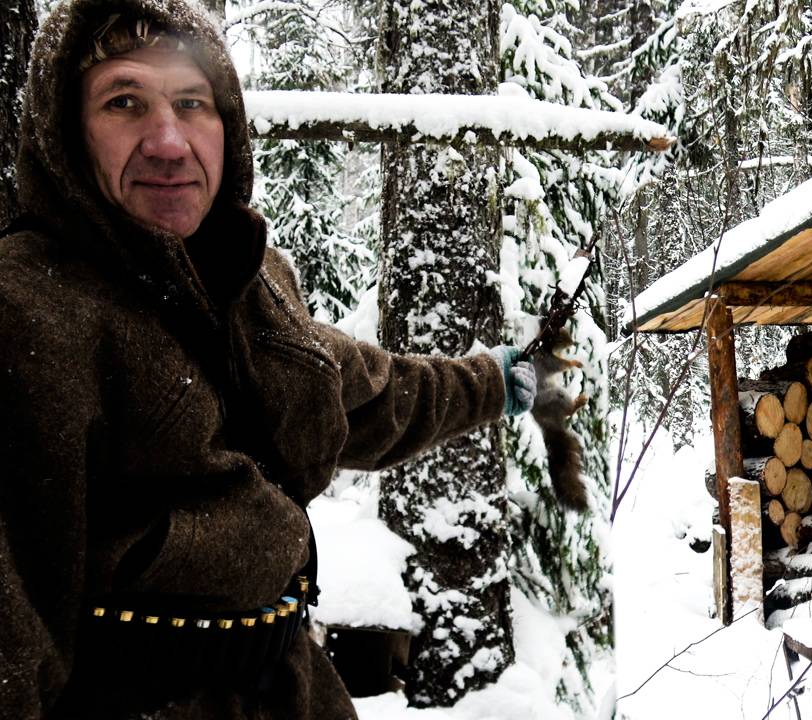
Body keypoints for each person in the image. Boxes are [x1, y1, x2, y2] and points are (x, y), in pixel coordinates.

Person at [0, 0, 538, 717]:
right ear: (66, 134)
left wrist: (496, 380)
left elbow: (374, 397)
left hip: (292, 689)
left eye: (192, 103)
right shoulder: (27, 310)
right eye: (124, 101)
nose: (167, 140)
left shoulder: (253, 285)